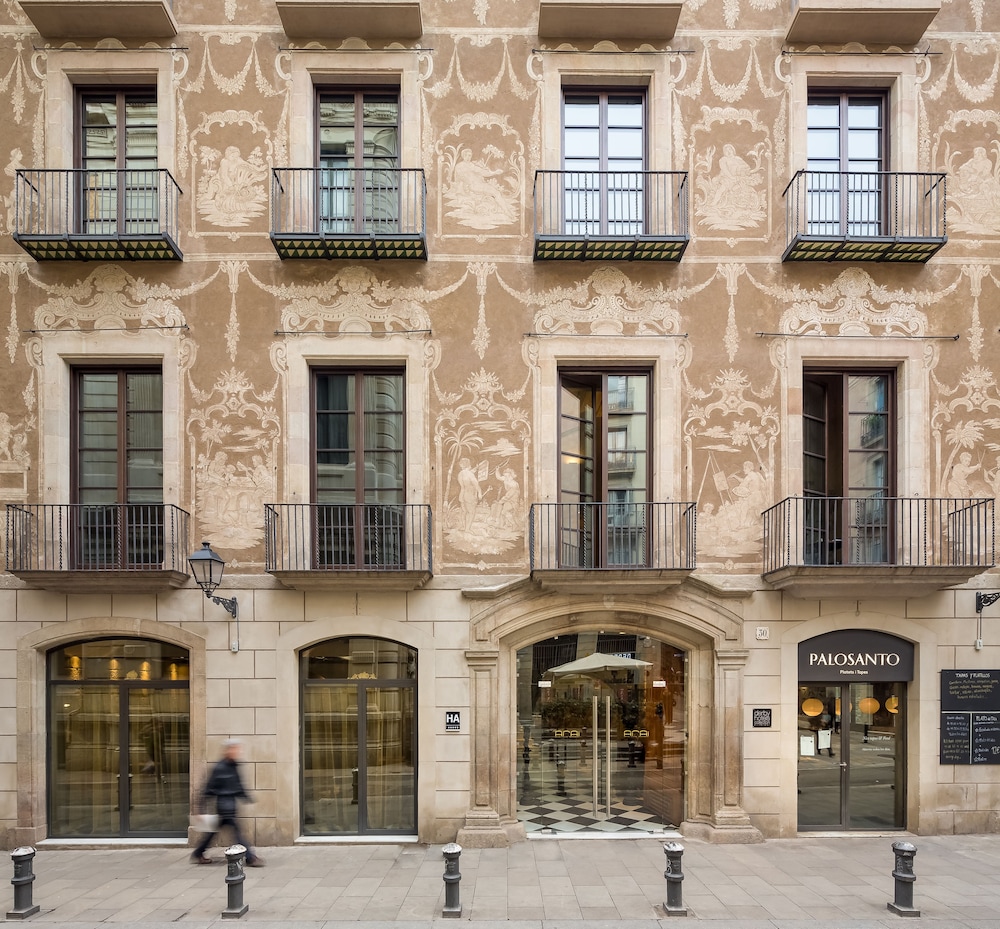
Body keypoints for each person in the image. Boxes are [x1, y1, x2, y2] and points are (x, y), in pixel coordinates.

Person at [190, 739, 265, 866]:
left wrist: (246, 796)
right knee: (238, 834)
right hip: (224, 807)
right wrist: (200, 809)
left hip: (229, 805)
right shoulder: (220, 767)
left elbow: (238, 785)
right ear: (228, 750)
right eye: (235, 749)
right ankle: (250, 857)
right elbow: (208, 788)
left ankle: (198, 853)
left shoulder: (233, 766)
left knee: (212, 833)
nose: (237, 752)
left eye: (238, 749)